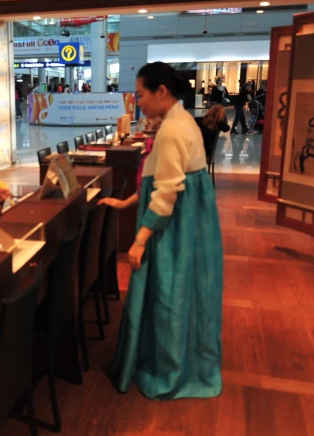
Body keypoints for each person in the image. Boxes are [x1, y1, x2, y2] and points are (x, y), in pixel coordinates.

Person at [100, 61, 223, 400]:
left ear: (161, 92)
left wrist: (138, 241)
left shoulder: (171, 131)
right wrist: (128, 204)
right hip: (189, 223)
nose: (138, 101)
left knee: (170, 295)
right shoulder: (181, 121)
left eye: (141, 95)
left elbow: (166, 192)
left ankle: (168, 371)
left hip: (175, 229)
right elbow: (166, 180)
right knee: (188, 295)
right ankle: (187, 362)